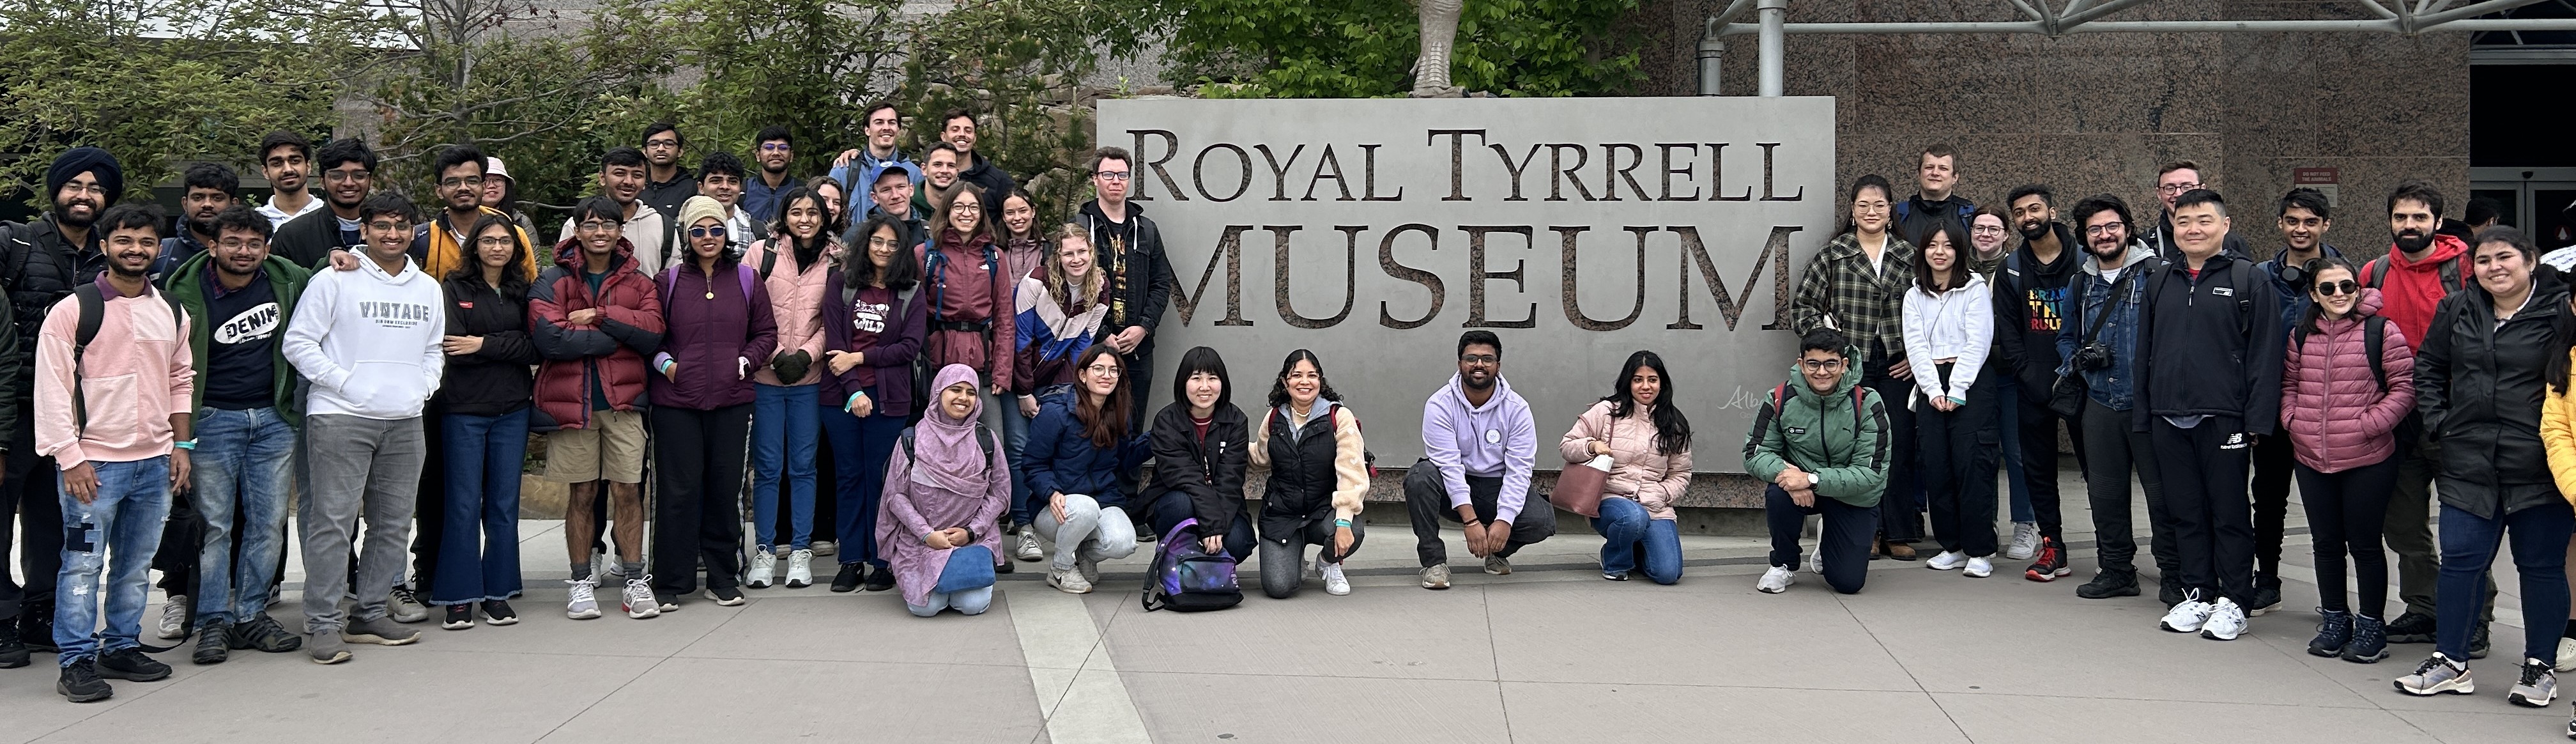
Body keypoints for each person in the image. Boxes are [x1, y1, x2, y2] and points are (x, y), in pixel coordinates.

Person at [2401, 226, 2573, 706]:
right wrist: (2440, 424)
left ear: (2531, 261)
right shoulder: (2457, 308)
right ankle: (2451, 662)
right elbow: (2430, 367)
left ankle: (2539, 667)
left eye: (2505, 257)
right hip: (2468, 460)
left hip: (2538, 463)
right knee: (2460, 563)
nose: (2494, 267)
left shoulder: (2560, 311)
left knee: (2540, 567)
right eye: (2483, 260)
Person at [34, 203, 192, 701]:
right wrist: (70, 457)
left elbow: (180, 378)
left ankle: (121, 645)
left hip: (154, 464)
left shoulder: (170, 310)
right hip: (94, 466)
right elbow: (53, 389)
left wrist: (180, 445)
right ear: (104, 247)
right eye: (125, 240)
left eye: (147, 241)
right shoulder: (74, 310)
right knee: (82, 563)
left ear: (158, 249)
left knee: (135, 563)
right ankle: (76, 660)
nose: (136, 250)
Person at [282, 192, 445, 664]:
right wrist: (347, 384)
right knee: (333, 522)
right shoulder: (334, 280)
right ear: (365, 230)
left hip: (405, 419)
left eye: (401, 226)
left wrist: (423, 389)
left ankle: (370, 613)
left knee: (393, 524)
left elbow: (434, 349)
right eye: (381, 226)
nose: (391, 235)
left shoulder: (428, 288)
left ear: (414, 231)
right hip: (339, 417)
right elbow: (299, 343)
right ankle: (324, 623)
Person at [163, 205, 309, 663]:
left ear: (266, 249)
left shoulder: (286, 279)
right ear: (213, 246)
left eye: (253, 244)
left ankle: (249, 616)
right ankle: (212, 621)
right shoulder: (183, 293)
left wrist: (346, 259)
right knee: (215, 527)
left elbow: (329, 273)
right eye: (233, 243)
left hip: (272, 420)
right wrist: (179, 437)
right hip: (212, 420)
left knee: (268, 524)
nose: (243, 252)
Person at [2138, 189, 2285, 642]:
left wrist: (2258, 422)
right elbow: (2143, 352)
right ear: (2172, 227)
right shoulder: (2160, 278)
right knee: (2186, 512)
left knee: (2229, 513)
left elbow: (2265, 355)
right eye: (2184, 221)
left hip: (2225, 418)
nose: (2193, 229)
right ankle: (2199, 594)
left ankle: (2235, 600)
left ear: (2224, 225)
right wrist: (2145, 414)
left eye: (2204, 220)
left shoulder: (2248, 279)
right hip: (2168, 415)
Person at [1, 147, 116, 661]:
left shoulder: (110, 255)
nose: (84, 196)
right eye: (76, 186)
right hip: (16, 406)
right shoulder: (15, 242)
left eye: (95, 189)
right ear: (56, 191)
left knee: (56, 518)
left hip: (79, 416)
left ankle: (40, 612)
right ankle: (2, 616)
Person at [531, 196, 664, 621]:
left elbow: (653, 332)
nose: (601, 232)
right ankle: (579, 582)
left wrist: (600, 315)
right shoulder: (552, 280)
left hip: (624, 405)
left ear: (620, 231)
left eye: (609, 224)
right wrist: (616, 335)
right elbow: (549, 338)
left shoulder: (641, 282)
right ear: (577, 231)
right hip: (574, 405)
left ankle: (634, 580)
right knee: (582, 494)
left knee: (629, 491)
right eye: (591, 225)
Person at [2361, 180, 2480, 650]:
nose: (2409, 225)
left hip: (2454, 415)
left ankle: (2474, 621)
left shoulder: (2466, 268)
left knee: (2465, 529)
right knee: (2404, 525)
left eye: (2419, 217)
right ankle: (2424, 609)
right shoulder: (2375, 271)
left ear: (2437, 221)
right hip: (2397, 416)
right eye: (2400, 217)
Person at [2278, 255, 2412, 664]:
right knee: (2326, 544)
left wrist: (2371, 424)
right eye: (2329, 288)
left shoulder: (2381, 330)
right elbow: (2289, 384)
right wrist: (2292, 421)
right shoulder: (2301, 336)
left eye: (2347, 286)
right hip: (2312, 456)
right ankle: (2336, 619)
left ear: (2358, 288)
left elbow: (2405, 388)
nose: (2340, 294)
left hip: (2367, 457)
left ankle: (2372, 625)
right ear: (2315, 295)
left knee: (2366, 545)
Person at [649, 196, 776, 610]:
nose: (708, 237)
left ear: (728, 233)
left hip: (732, 400)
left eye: (716, 229)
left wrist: (747, 361)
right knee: (677, 492)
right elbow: (651, 337)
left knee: (726, 491)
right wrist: (667, 365)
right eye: (699, 230)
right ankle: (671, 581)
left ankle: (723, 577)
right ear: (686, 235)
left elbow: (766, 334)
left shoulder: (746, 279)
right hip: (675, 402)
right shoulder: (666, 282)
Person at [1790, 174, 1921, 559]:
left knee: (1895, 444)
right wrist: (1829, 342)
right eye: (1863, 205)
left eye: (1879, 205)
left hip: (1899, 363)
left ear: (1891, 210)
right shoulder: (1835, 253)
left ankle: (1899, 530)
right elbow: (1802, 307)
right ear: (1852, 210)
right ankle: (1870, 530)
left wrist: (1918, 356)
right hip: (1851, 365)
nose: (1871, 212)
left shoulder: (1908, 255)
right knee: (1856, 448)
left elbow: (1930, 310)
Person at [2055, 194, 2179, 602]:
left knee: (2162, 495)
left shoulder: (2159, 274)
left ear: (2127, 228)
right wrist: (2077, 359)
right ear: (2085, 238)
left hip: (2149, 405)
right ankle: (2116, 570)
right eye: (2095, 230)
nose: (2104, 235)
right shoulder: (2080, 282)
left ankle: (2174, 575)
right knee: (2105, 494)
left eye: (2111, 227)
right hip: (2100, 403)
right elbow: (2066, 337)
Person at [429, 212, 542, 629]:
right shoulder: (453, 288)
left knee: (503, 505)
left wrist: (483, 343)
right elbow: (452, 344)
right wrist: (501, 345)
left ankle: (499, 592)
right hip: (463, 411)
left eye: (505, 241)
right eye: (489, 240)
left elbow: (535, 347)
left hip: (513, 410)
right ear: (474, 245)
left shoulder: (522, 291)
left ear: (515, 247)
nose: (498, 247)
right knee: (462, 505)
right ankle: (459, 596)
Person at [2247, 187, 2347, 616]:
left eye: (2310, 222)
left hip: (2325, 411)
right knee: (2268, 499)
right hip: (2272, 409)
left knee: (2330, 506)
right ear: (2280, 225)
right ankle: (2266, 580)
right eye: (2292, 221)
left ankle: (2335, 600)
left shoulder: (2345, 278)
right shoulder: (2256, 276)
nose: (2300, 229)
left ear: (2325, 225)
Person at [820, 213, 928, 593]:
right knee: (849, 478)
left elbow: (910, 347)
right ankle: (851, 559)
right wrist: (853, 390)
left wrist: (862, 359)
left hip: (891, 399)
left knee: (884, 481)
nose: (883, 249)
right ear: (866, 244)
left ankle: (883, 559)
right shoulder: (841, 285)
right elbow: (836, 343)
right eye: (877, 242)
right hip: (841, 398)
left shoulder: (911, 291)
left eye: (892, 244)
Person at [741, 185, 838, 590]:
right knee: (766, 469)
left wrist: (808, 356)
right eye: (797, 212)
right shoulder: (760, 255)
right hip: (765, 377)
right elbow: (744, 311)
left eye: (813, 213)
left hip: (809, 380)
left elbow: (837, 320)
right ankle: (765, 550)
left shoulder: (836, 261)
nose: (805, 219)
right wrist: (777, 353)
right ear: (785, 215)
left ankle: (800, 551)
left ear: (823, 218)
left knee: (804, 467)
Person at [1404, 330, 1555, 589]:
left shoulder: (1517, 408)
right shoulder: (1440, 404)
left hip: (1496, 486)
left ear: (1498, 365)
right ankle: (1434, 562)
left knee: (1542, 521)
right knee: (1420, 477)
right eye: (1471, 358)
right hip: (1452, 486)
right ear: (1459, 363)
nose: (1479, 365)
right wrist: (1471, 521)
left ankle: (1497, 551)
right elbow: (1448, 466)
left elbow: (1520, 469)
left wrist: (1504, 519)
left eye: (1487, 359)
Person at [1749, 329, 1890, 595]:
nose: (1822, 372)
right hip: (1800, 490)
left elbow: (1872, 473)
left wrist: (1812, 479)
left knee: (1848, 583)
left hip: (1852, 496)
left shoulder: (1868, 402)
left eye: (1831, 364)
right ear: (1801, 364)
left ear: (1844, 364)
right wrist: (1790, 477)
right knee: (1778, 494)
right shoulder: (1780, 398)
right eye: (1813, 363)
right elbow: (1755, 452)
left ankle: (1830, 535)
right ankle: (1783, 564)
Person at [1993, 186, 2085, 580]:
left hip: (2084, 382)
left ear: (2052, 209)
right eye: (2019, 212)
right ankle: (2053, 548)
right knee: (2039, 471)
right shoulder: (2011, 268)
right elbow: (2008, 330)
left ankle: (2115, 553)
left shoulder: (2085, 260)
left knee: (2100, 470)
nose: (2028, 216)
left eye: (2034, 209)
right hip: (2033, 383)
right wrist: (2027, 375)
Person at [1901, 216, 2000, 578]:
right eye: (1932, 245)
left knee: (1972, 464)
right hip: (1929, 382)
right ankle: (1952, 546)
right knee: (1937, 466)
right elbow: (1915, 345)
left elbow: (1979, 341)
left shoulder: (1974, 288)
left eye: (1948, 246)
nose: (1939, 253)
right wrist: (1932, 389)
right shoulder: (1914, 294)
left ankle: (1979, 550)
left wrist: (1956, 389)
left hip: (1971, 380)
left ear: (1960, 251)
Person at [1008, 226, 1110, 562]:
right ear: (1058, 256)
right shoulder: (1035, 283)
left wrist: (1067, 389)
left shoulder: (1100, 288)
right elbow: (1020, 341)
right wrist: (1024, 391)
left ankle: (1056, 521)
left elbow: (1084, 345)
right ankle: (1024, 527)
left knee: (1054, 447)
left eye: (1082, 252)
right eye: (1068, 253)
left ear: (1091, 252)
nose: (1076, 259)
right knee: (1022, 447)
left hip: (1058, 377)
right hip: (1019, 376)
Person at [878, 364, 1011, 617]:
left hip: (972, 540)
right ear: (938, 392)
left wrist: (971, 532)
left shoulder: (986, 439)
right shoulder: (912, 438)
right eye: (955, 390)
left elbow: (1000, 494)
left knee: (972, 605)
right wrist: (927, 534)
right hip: (919, 541)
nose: (963, 398)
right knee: (926, 608)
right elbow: (895, 496)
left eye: (971, 392)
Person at [1023, 345, 1150, 594]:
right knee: (1085, 509)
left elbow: (1126, 459)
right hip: (1055, 507)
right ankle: (1060, 568)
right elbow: (1032, 463)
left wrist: (1156, 439)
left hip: (1102, 499)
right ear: (1082, 375)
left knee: (1124, 543)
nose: (1107, 375)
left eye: (1114, 371)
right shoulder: (1055, 411)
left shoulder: (1119, 413)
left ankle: (1084, 555)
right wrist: (1051, 492)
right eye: (1099, 369)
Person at [1559, 350, 1692, 585]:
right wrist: (1592, 446)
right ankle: (1615, 562)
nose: (1646, 387)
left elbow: (1680, 474)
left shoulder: (1674, 423)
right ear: (1628, 382)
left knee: (1668, 574)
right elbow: (1567, 446)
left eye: (1652, 380)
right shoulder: (1606, 411)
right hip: (1610, 499)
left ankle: (1635, 547)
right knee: (1632, 517)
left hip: (1654, 504)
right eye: (1638, 380)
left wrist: (1662, 494)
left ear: (1662, 383)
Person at [1249, 349, 1367, 598]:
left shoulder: (1338, 417)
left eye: (1312, 375)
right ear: (1285, 381)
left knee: (1352, 531)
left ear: (1320, 381)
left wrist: (1344, 520)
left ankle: (1327, 563)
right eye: (1297, 375)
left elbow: (1351, 472)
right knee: (1279, 587)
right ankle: (1295, 554)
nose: (1305, 382)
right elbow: (1260, 457)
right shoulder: (1273, 418)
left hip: (1323, 511)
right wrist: (1224, 445)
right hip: (1282, 514)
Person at [1075, 148, 1177, 426]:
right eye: (1108, 174)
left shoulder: (1146, 229)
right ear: (1095, 179)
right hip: (1093, 347)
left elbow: (1160, 284)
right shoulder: (1081, 228)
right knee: (1091, 427)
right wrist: (1102, 332)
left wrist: (1144, 327)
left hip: (1138, 349)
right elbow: (1072, 287)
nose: (1115, 181)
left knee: (1132, 429)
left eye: (1122, 174)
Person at [920, 182, 1017, 442]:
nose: (967, 213)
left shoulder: (994, 257)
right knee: (936, 439)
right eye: (959, 206)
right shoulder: (926, 254)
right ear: (947, 210)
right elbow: (913, 315)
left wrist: (1002, 371)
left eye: (974, 207)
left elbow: (1005, 318)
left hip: (982, 363)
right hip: (939, 359)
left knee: (993, 440)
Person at [1144, 346, 1255, 561]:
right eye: (1196, 378)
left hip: (1221, 500)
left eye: (1212, 378)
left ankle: (1204, 566)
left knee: (1237, 543)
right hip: (1178, 498)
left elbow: (1230, 480)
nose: (1205, 387)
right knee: (1180, 504)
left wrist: (1216, 526)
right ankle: (1172, 559)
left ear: (1222, 382)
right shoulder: (1167, 420)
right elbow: (1186, 479)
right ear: (1183, 383)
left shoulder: (1236, 420)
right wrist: (1212, 524)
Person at [414, 144, 539, 281]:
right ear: (439, 190)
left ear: (484, 186)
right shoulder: (422, 238)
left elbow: (531, 290)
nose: (463, 188)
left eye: (472, 181)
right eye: (453, 182)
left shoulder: (513, 235)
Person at [558, 148, 671, 275]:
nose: (629, 181)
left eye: (637, 175)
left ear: (645, 181)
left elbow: (673, 281)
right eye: (619, 174)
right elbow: (564, 277)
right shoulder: (579, 224)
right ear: (602, 178)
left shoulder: (662, 225)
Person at [271, 137, 377, 269]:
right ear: (322, 181)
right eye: (337, 176)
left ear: (370, 180)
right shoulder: (292, 236)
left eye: (359, 176)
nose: (349, 183)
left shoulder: (392, 232)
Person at [829, 101, 924, 217]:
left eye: (892, 123)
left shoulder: (914, 173)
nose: (886, 128)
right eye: (879, 123)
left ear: (898, 129)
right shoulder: (845, 170)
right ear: (867, 130)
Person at [148, 162, 238, 280]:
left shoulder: (248, 254)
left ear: (234, 205)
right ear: (185, 204)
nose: (207, 204)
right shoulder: (159, 253)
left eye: (217, 198)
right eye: (198, 198)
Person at [2143, 161, 2250, 262]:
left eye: (2187, 187)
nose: (2179, 194)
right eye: (2170, 188)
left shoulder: (2232, 242)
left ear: (2202, 189)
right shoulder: (2145, 244)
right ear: (2159, 193)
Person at [1892, 144, 1973, 246]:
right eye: (1929, 167)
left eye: (1943, 168)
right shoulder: (1898, 215)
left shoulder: (1968, 215)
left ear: (1955, 178)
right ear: (1919, 174)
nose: (1935, 173)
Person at [944, 109, 1016, 215]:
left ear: (975, 138)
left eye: (968, 131)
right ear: (943, 136)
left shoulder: (998, 180)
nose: (962, 134)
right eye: (955, 130)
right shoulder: (932, 176)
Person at [254, 130, 325, 229]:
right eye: (277, 163)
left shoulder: (329, 215)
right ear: (265, 172)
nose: (288, 169)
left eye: (295, 161)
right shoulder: (255, 222)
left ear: (308, 166)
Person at [697, 151, 766, 244]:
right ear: (701, 188)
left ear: (740, 187)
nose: (725, 187)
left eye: (732, 181)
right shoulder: (681, 228)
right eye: (716, 181)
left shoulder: (758, 231)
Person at [638, 123, 697, 219]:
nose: (661, 149)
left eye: (668, 144)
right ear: (645, 152)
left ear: (680, 152)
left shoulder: (693, 189)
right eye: (654, 144)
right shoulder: (635, 187)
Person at [743, 126, 797, 223]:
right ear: (758, 155)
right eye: (769, 148)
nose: (776, 153)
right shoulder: (742, 190)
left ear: (791, 156)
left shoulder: (802, 190)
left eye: (783, 148)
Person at [479, 157, 540, 241]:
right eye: (485, 180)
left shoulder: (520, 221)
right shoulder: (462, 219)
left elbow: (533, 254)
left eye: (497, 180)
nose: (492, 185)